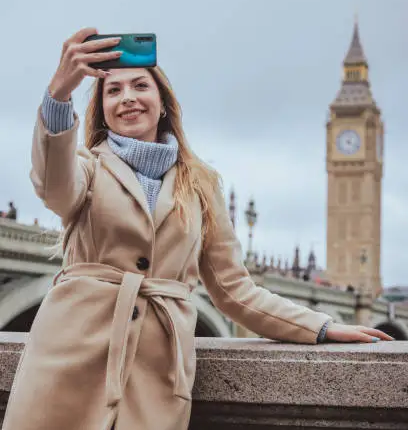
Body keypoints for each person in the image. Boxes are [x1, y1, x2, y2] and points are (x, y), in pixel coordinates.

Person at [3, 28, 393, 430]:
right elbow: (53, 188)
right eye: (113, 91)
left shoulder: (201, 185)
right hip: (67, 360)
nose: (128, 98)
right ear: (102, 110)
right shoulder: (86, 167)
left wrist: (322, 325)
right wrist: (59, 94)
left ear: (163, 103)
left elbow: (235, 290)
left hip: (154, 377)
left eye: (140, 85)